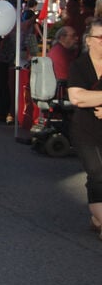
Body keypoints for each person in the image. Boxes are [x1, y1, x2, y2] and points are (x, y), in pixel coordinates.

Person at [65, 18, 102, 239]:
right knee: (97, 172)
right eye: (100, 38)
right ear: (90, 40)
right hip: (85, 130)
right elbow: (77, 97)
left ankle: (97, 216)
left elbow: (87, 96)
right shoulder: (79, 66)